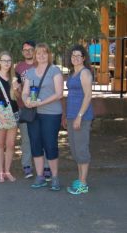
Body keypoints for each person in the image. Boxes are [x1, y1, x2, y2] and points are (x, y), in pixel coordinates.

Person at [22, 43, 64, 191]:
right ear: (34, 55)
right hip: (34, 114)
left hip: (51, 114)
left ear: (49, 55)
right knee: (35, 144)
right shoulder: (30, 72)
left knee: (50, 145)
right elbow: (25, 92)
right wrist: (27, 100)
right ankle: (40, 177)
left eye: (44, 53)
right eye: (38, 53)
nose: (41, 56)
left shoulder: (55, 70)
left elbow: (59, 94)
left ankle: (54, 177)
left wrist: (40, 102)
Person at [15, 41, 51, 180]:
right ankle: (27, 166)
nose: (28, 52)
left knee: (44, 138)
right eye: (25, 50)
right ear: (22, 52)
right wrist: (17, 92)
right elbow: (17, 92)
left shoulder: (41, 64)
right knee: (26, 139)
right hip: (25, 108)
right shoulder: (19, 67)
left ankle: (46, 167)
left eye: (31, 49)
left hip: (43, 107)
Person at [63, 45, 93, 195]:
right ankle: (80, 178)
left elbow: (88, 96)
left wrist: (79, 117)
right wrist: (68, 116)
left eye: (78, 56)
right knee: (75, 150)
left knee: (81, 149)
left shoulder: (85, 73)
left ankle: (83, 183)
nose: (75, 58)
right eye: (73, 55)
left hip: (82, 117)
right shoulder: (73, 73)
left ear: (84, 58)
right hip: (71, 116)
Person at [0, 51, 21, 183]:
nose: (7, 63)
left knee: (11, 145)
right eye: (4, 60)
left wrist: (16, 88)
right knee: (0, 144)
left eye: (9, 60)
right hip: (0, 113)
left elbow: (18, 98)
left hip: (13, 114)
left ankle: (7, 171)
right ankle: (0, 171)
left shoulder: (15, 76)